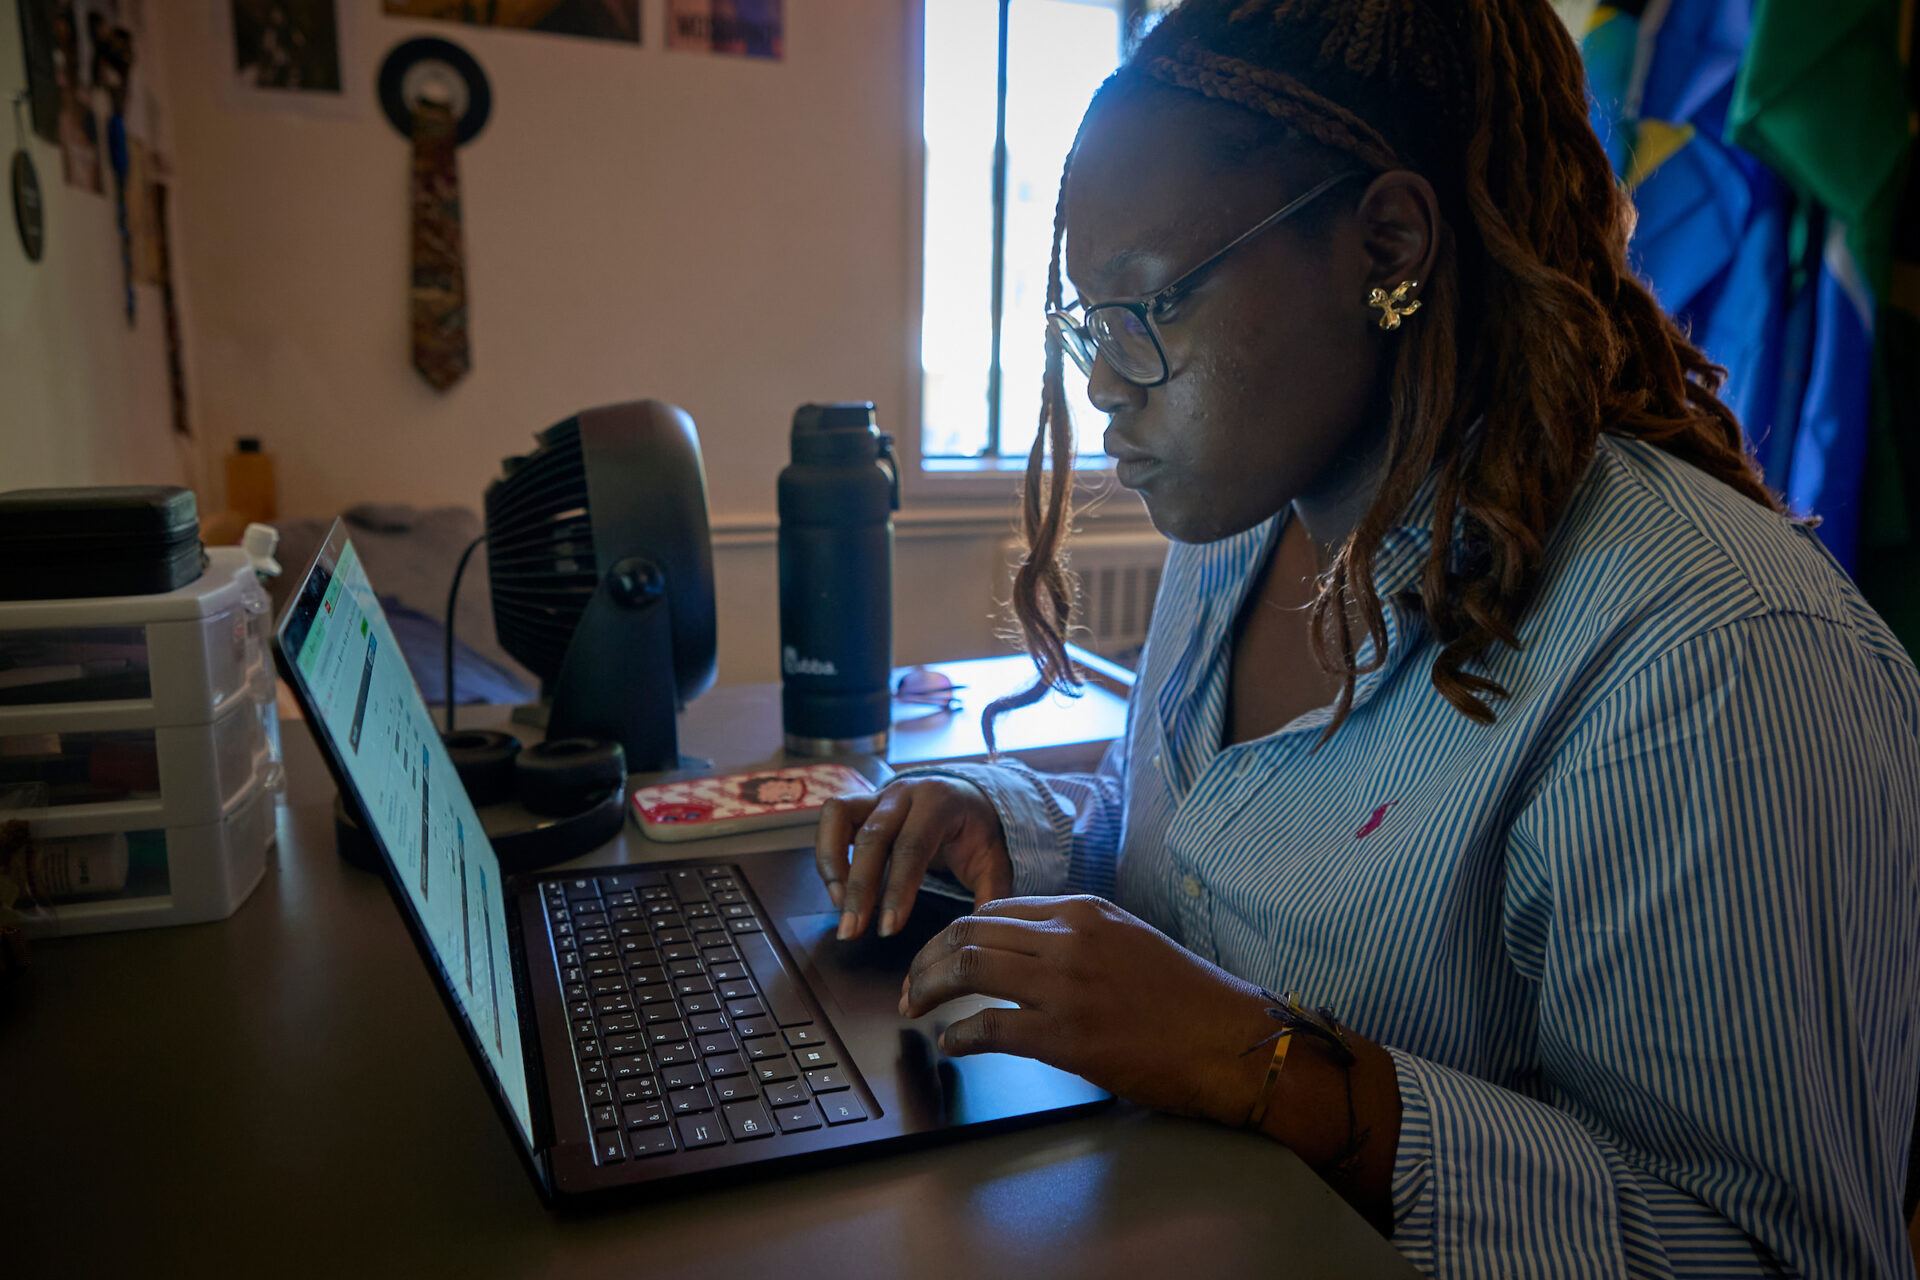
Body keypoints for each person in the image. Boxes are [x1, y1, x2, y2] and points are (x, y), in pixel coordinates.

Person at [814, 0, 1920, 1275]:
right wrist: (1011, 823)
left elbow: (1768, 1257)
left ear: (1387, 243)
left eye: (1149, 307)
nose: (1104, 381)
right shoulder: (1241, 521)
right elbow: (1196, 854)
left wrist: (1273, 1069)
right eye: (1084, 321)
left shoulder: (1711, 660)